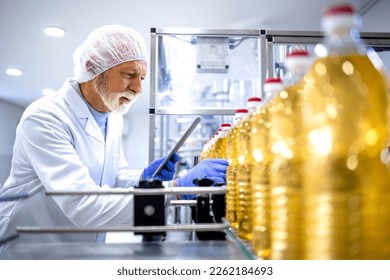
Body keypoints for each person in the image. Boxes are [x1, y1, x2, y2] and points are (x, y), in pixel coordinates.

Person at [0, 25, 228, 253]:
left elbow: (111, 177)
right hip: (30, 249)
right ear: (92, 67)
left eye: (142, 77)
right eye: (129, 75)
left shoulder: (113, 114)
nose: (138, 88)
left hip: (80, 249)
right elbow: (82, 204)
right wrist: (174, 189)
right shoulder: (46, 117)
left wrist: (143, 177)